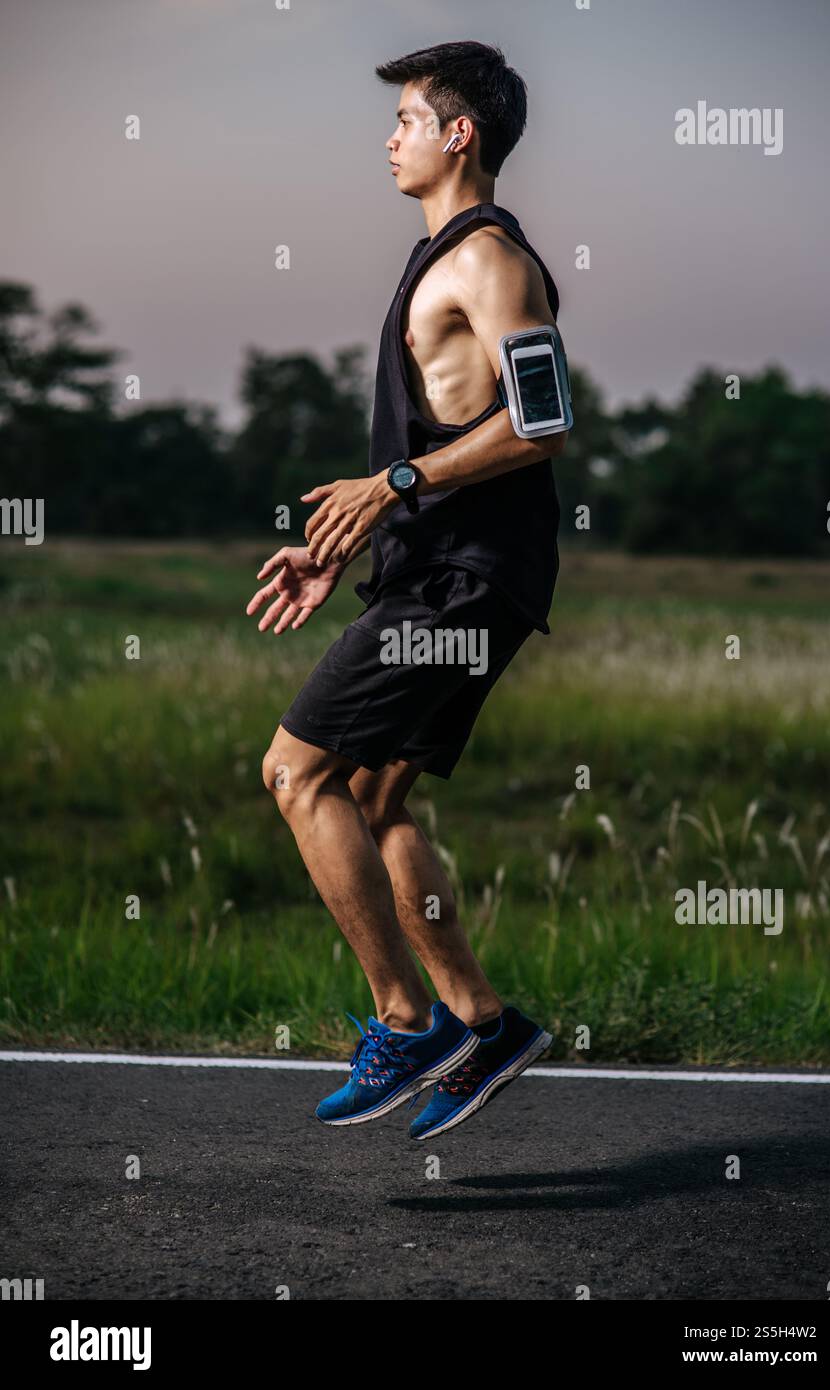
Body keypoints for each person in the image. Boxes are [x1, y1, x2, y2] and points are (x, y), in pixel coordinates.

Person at [247, 41, 569, 1140]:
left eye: (406, 120)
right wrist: (352, 538)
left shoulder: (488, 262)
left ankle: (406, 1017)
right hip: (445, 570)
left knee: (296, 771)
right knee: (376, 798)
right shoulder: (438, 257)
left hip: (468, 582)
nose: (390, 138)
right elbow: (447, 431)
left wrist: (392, 484)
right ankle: (484, 1018)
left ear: (459, 133)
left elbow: (544, 417)